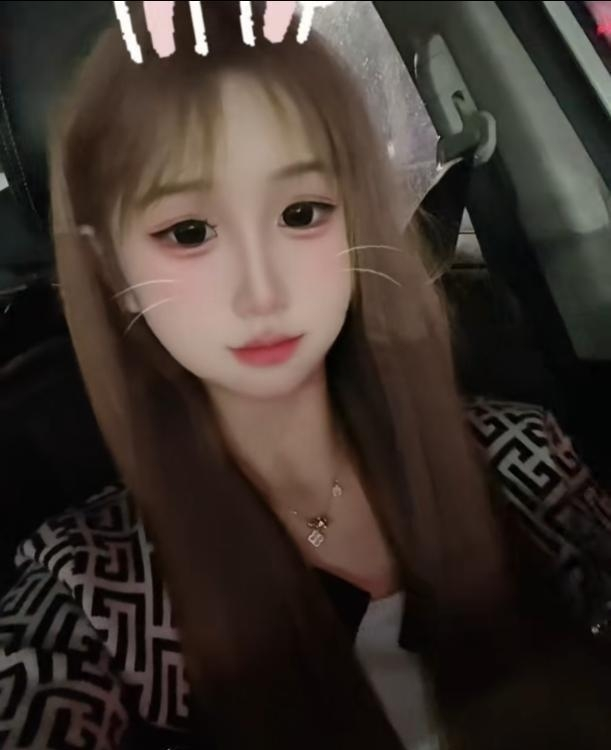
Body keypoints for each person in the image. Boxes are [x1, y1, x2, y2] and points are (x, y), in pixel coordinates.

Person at [1, 3, 611, 749]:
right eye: (189, 232)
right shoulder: (87, 593)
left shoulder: (527, 466)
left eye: (301, 213)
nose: (262, 292)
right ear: (113, 270)